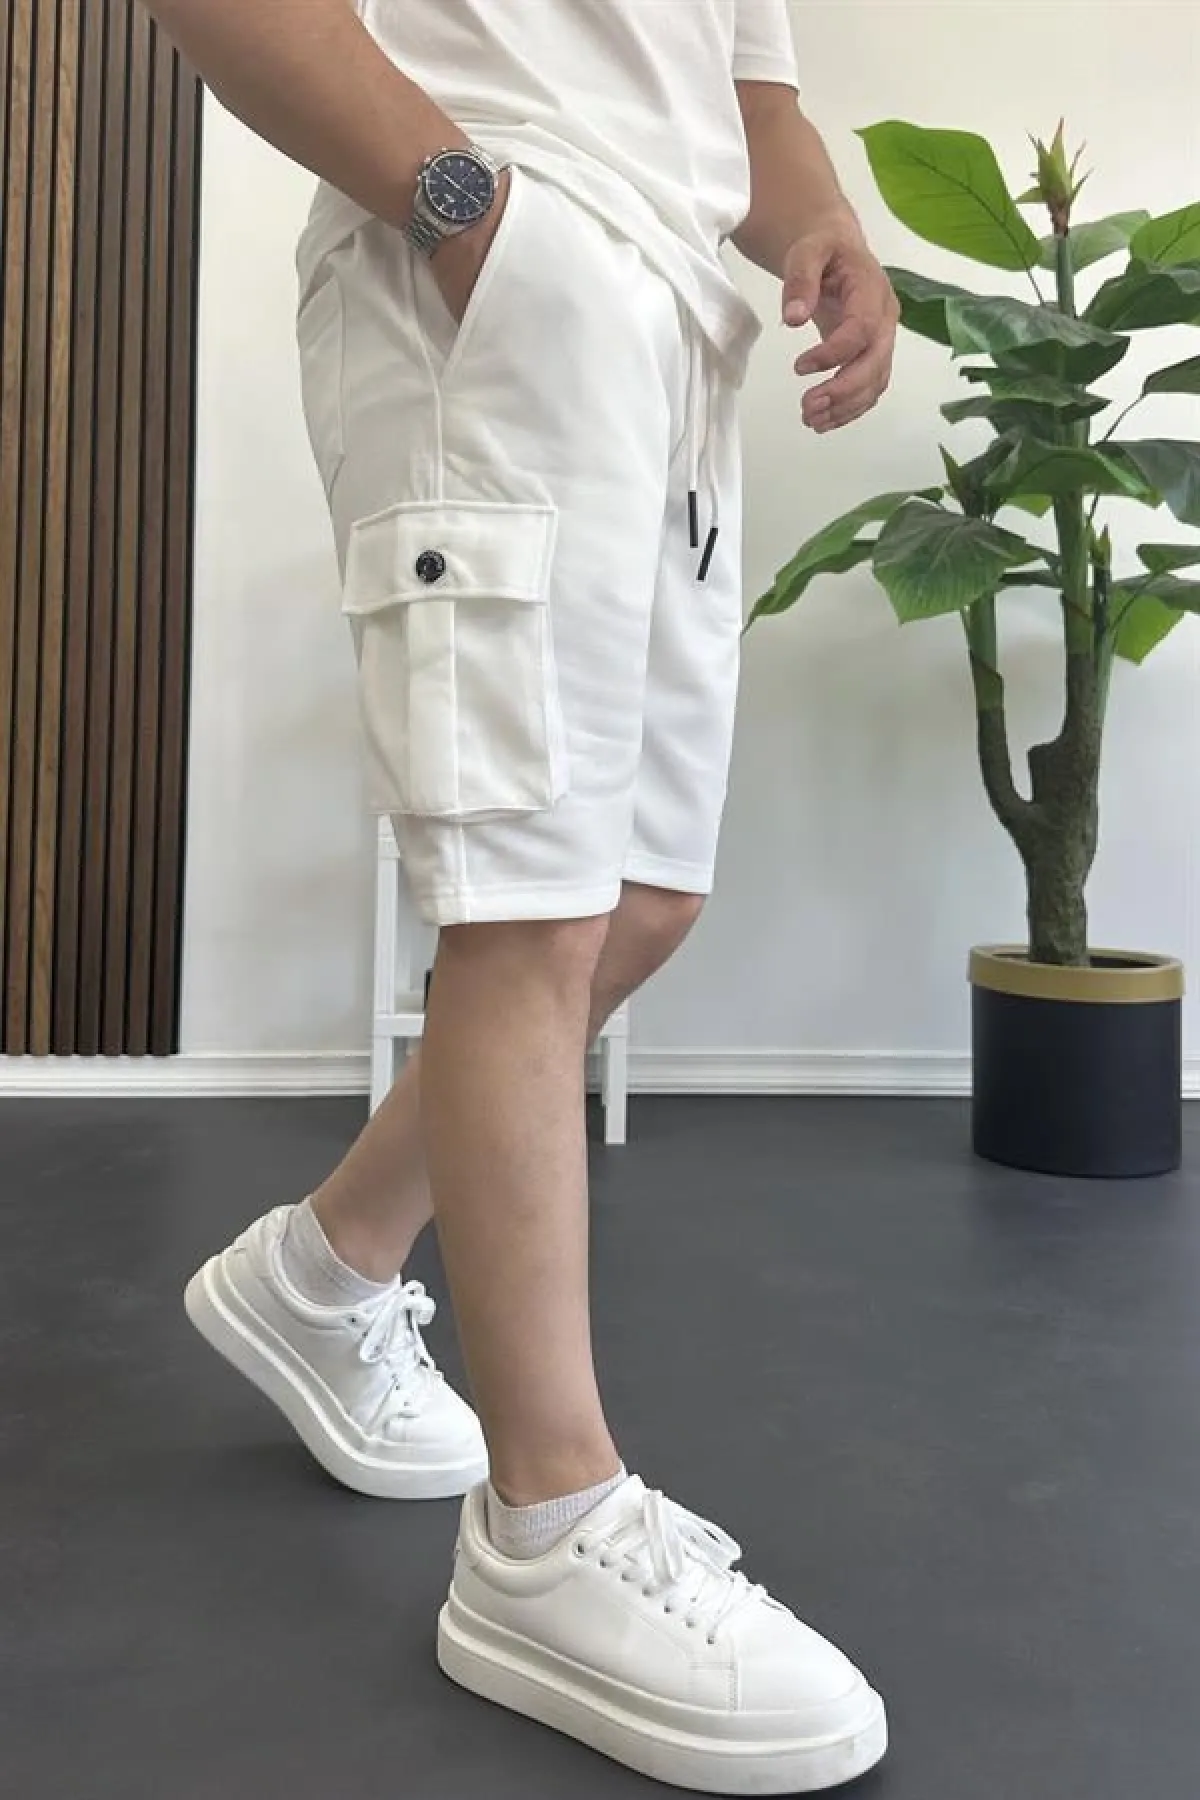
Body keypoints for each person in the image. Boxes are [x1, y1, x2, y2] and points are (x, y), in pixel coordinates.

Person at [152, 0, 898, 1790]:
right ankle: (547, 1535)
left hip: (671, 322)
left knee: (641, 899)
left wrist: (822, 223)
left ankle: (324, 1271)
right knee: (529, 904)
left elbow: (747, 88)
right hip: (496, 278)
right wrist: (470, 213)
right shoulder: (484, 238)